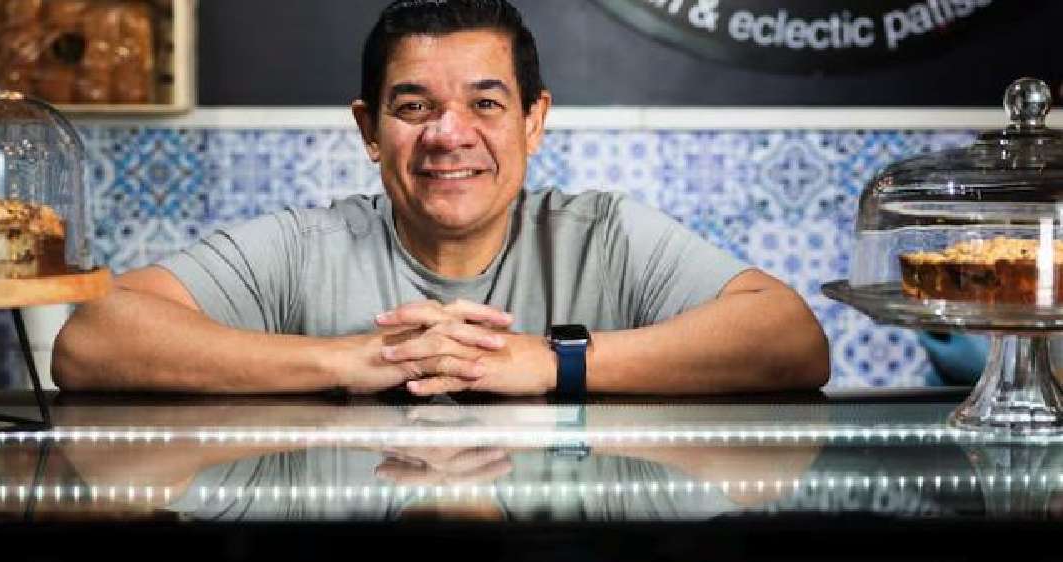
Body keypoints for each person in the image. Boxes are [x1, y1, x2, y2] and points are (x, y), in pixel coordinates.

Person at [53, 0, 830, 398]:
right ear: (369, 127)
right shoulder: (306, 246)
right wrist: (353, 357)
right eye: (414, 106)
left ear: (534, 121)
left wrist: (549, 363)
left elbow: (789, 339)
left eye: (487, 105)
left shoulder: (605, 235)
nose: (447, 135)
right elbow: (91, 338)